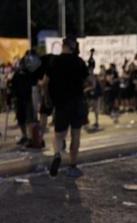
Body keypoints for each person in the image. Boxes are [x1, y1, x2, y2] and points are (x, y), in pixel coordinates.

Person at [44, 37, 89, 177]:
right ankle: (72, 165)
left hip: (61, 103)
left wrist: (47, 97)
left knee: (58, 135)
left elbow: (45, 82)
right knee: (76, 134)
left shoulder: (54, 61)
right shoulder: (79, 61)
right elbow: (87, 80)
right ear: (73, 47)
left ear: (63, 46)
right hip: (78, 101)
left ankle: (57, 154)